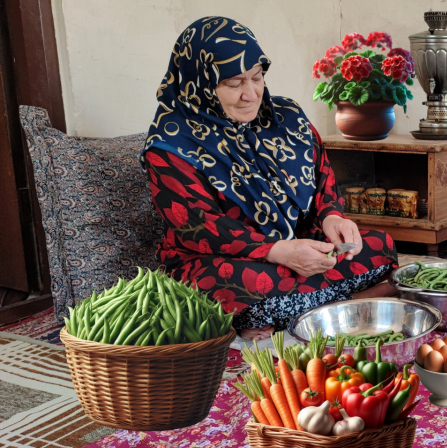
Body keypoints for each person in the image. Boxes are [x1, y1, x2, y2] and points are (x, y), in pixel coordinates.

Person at [141, 17, 397, 340]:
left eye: (257, 77)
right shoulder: (171, 145)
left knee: (378, 245)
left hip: (298, 244)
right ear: (200, 83)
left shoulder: (287, 118)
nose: (251, 94)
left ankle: (288, 313)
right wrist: (277, 251)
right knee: (253, 281)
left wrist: (332, 217)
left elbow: (322, 175)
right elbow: (200, 226)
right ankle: (340, 303)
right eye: (234, 83)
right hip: (217, 259)